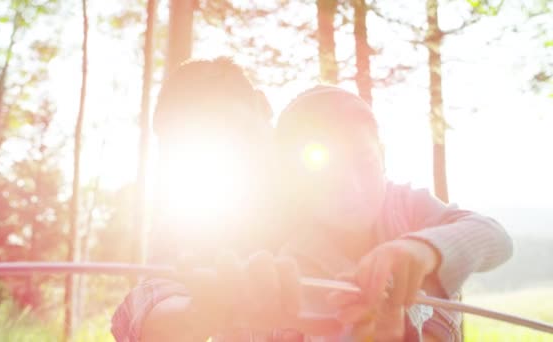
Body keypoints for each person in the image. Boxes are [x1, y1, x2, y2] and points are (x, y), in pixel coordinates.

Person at [111, 58, 341, 341]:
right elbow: (147, 307)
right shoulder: (188, 224)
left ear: (263, 106)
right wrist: (198, 314)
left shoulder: (333, 184)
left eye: (239, 134)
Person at [274, 85, 514, 341]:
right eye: (325, 173)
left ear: (383, 156)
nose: (352, 187)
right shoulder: (293, 265)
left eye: (365, 162)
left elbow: (498, 240)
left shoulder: (407, 207)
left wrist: (426, 250)